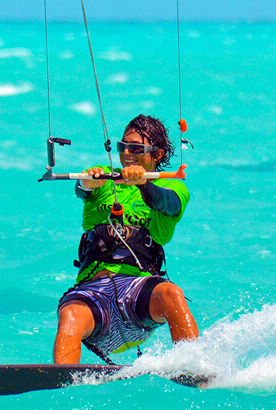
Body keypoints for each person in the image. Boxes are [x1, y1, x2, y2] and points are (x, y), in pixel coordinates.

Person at [53, 114, 198, 363]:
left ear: (158, 154)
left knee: (172, 295)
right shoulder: (106, 178)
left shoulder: (174, 187)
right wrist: (87, 184)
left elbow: (167, 204)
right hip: (94, 295)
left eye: (136, 148)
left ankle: (196, 368)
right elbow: (82, 190)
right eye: (123, 147)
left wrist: (143, 184)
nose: (126, 153)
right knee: (70, 315)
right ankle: (60, 386)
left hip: (138, 296)